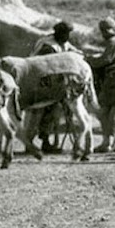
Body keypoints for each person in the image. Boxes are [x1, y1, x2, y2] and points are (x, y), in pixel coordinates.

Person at [86, 18, 115, 154]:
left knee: (106, 108)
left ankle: (107, 143)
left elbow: (105, 60)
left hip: (114, 77)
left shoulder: (113, 42)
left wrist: (89, 60)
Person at [31, 21, 79, 152]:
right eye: (65, 33)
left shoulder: (63, 44)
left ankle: (63, 141)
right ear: (59, 33)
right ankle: (45, 141)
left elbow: (75, 52)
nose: (67, 36)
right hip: (43, 82)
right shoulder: (48, 45)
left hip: (57, 82)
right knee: (49, 108)